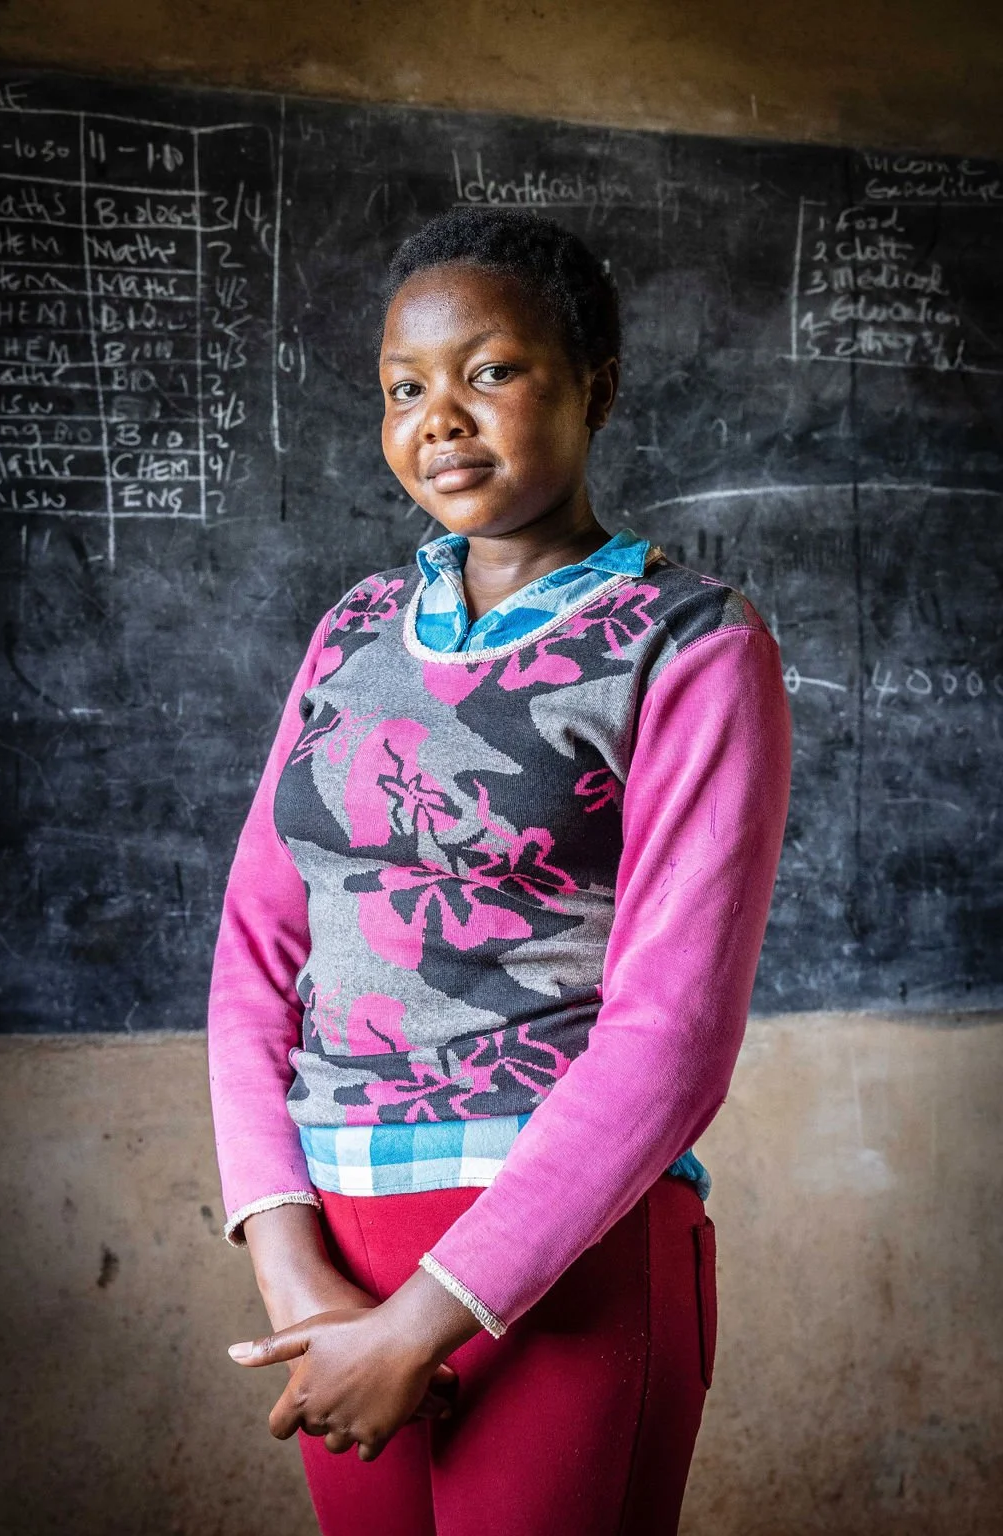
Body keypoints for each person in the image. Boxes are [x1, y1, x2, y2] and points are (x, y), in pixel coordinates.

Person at [208, 206, 791, 1536]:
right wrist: (296, 1278)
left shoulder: (692, 642)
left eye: (491, 372)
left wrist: (432, 1318)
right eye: (405, 389)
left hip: (557, 1255)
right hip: (336, 1252)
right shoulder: (355, 630)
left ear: (596, 384)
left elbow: (673, 1035)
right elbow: (256, 951)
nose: (441, 420)